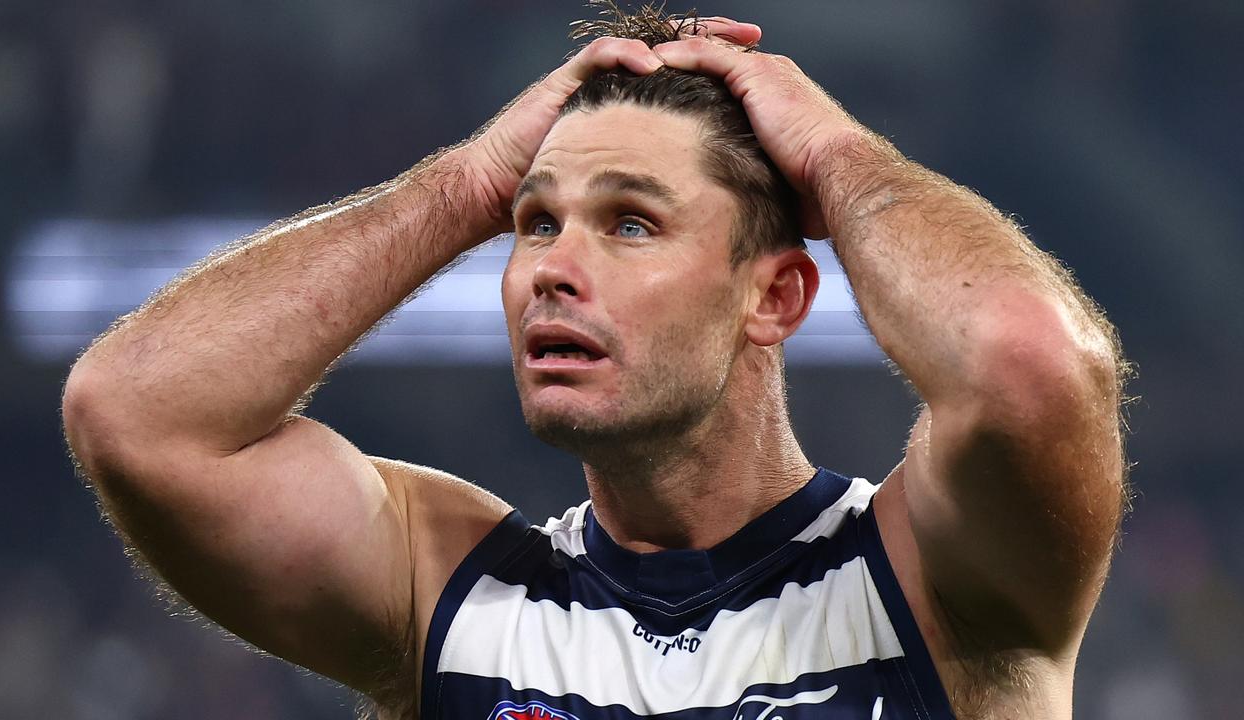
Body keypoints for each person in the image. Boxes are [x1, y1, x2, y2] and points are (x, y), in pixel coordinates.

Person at [61, 6, 1128, 719]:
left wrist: (840, 162)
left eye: (628, 224)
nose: (548, 270)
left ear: (773, 295)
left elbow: (1023, 359)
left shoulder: (932, 582)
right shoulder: (448, 595)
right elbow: (137, 411)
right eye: (533, 224)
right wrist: (465, 186)